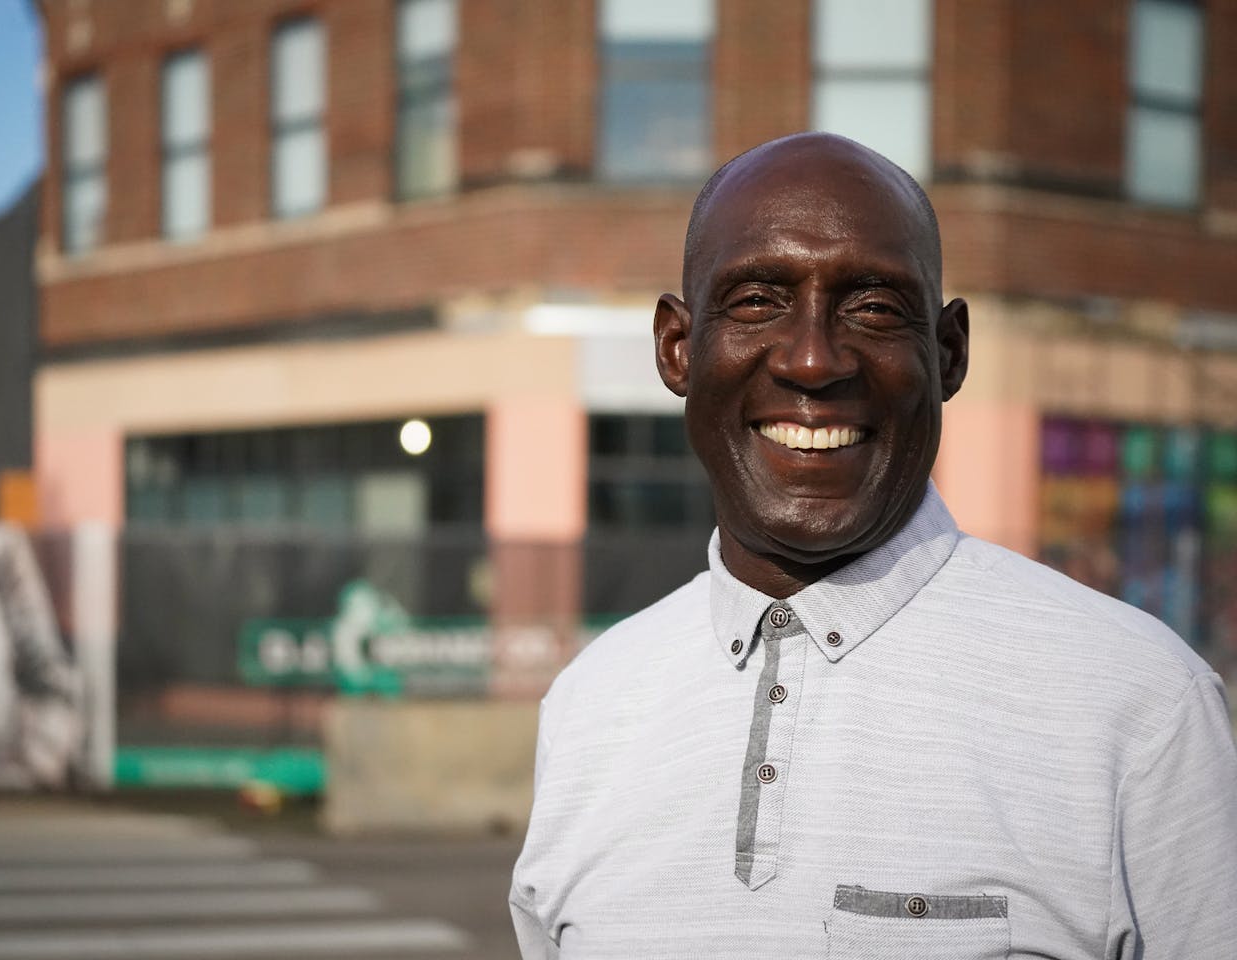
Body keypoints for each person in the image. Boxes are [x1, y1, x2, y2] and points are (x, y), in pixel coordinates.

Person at [509, 133, 1237, 959]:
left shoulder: (1140, 708)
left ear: (949, 353)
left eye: (875, 307)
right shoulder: (588, 707)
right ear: (678, 348)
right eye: (756, 300)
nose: (814, 360)